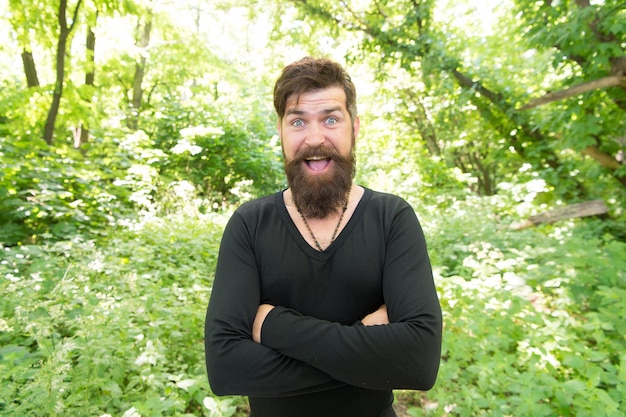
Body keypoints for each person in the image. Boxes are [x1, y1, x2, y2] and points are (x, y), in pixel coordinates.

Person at [204, 57, 442, 417]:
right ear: (281, 132)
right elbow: (225, 368)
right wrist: (365, 343)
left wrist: (272, 325)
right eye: (298, 121)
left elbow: (420, 361)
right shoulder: (250, 225)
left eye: (331, 119)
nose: (315, 138)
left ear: (355, 128)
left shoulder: (392, 219)